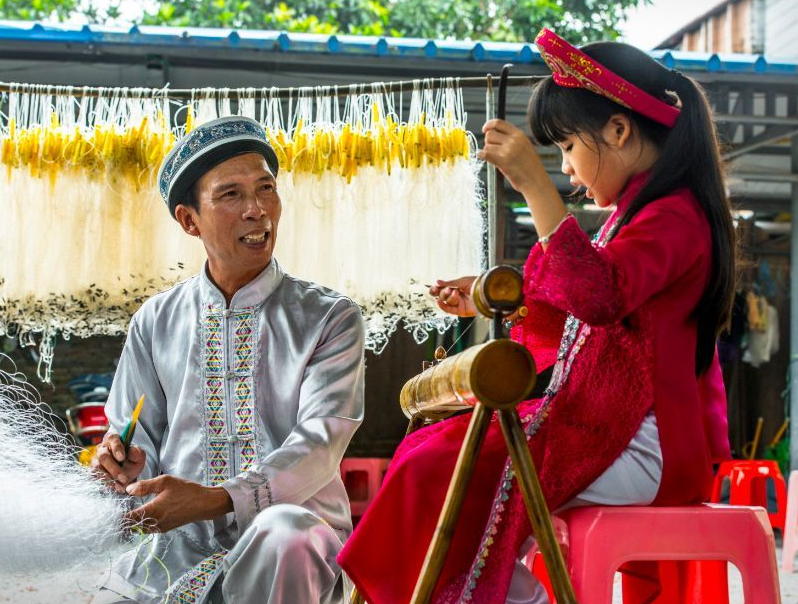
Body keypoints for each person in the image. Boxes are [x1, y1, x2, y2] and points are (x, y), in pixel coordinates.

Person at [338, 28, 734, 604]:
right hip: (607, 430)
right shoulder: (646, 212)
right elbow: (583, 306)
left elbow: (598, 298)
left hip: (646, 445)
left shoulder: (675, 216)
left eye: (568, 148)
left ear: (619, 131)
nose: (568, 170)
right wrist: (490, 294)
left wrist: (533, 186)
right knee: (428, 456)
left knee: (442, 472)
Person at [90, 116, 365, 604]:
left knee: (285, 534)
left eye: (266, 189)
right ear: (189, 220)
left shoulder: (329, 317)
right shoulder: (156, 320)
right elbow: (136, 437)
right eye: (231, 195)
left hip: (294, 543)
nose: (258, 210)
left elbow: (321, 444)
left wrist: (216, 501)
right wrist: (125, 463)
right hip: (176, 546)